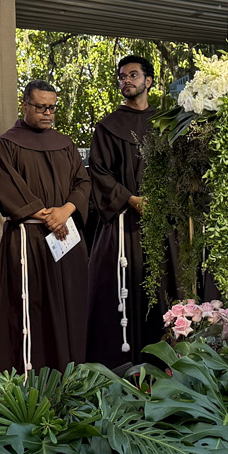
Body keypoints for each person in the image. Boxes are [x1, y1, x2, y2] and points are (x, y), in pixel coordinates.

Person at [0, 81, 92, 373]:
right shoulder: (5, 144)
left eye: (52, 108)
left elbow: (83, 182)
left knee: (69, 305)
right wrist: (49, 217)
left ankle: (70, 373)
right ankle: (30, 376)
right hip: (28, 238)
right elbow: (8, 187)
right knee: (33, 307)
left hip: (65, 236)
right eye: (41, 107)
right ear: (24, 105)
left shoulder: (66, 143)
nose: (48, 113)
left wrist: (66, 210)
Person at [84, 56, 164, 368]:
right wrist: (131, 199)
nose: (126, 81)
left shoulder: (165, 123)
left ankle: (160, 364)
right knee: (116, 294)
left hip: (159, 225)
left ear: (149, 81)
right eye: (121, 76)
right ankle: (115, 365)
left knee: (159, 291)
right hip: (121, 224)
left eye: (133, 75)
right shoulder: (107, 127)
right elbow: (99, 173)